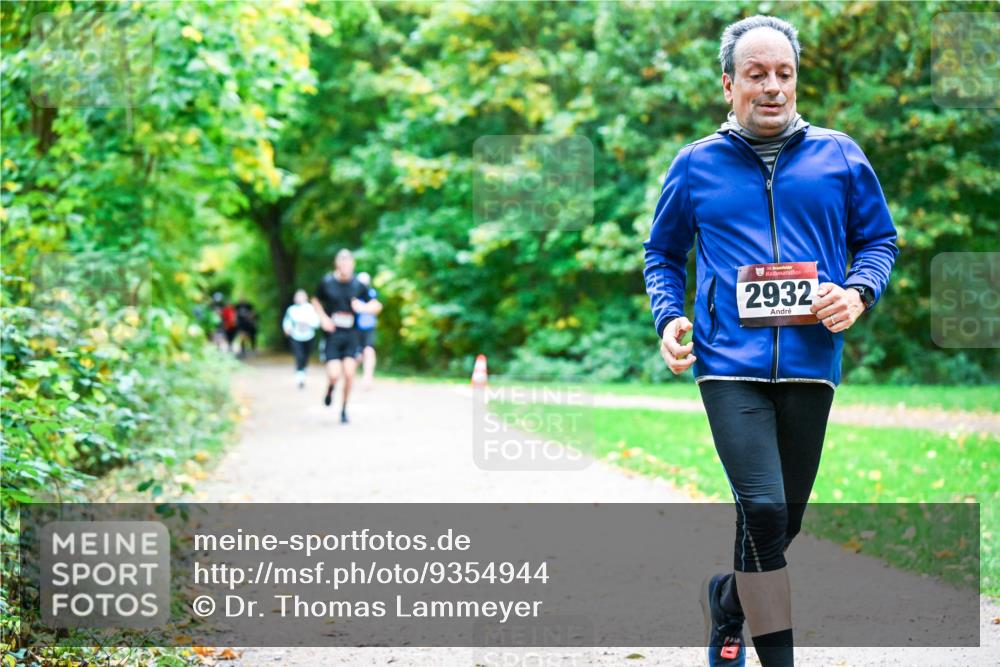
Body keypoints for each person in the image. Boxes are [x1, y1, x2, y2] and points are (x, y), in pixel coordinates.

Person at [642, 15, 897, 667]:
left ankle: (726, 602)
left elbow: (879, 240)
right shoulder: (696, 164)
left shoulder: (839, 155)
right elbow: (663, 253)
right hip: (728, 363)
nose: (773, 87)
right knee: (761, 505)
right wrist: (669, 315)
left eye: (784, 73)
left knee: (781, 520)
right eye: (757, 75)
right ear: (728, 84)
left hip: (812, 362)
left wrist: (859, 292)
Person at [311, 249, 382, 423]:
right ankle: (330, 388)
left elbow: (376, 305)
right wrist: (323, 318)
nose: (346, 267)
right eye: (342, 263)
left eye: (349, 263)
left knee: (349, 374)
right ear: (337, 264)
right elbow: (315, 300)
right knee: (334, 374)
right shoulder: (327, 282)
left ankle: (343, 409)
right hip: (333, 335)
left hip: (352, 335)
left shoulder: (358, 284)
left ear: (353, 265)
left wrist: (364, 308)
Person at [283, 289, 320, 388]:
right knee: (299, 356)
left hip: (309, 336)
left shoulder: (311, 308)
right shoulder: (291, 310)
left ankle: (303, 370)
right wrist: (287, 329)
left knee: (306, 356)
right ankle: (300, 376)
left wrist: (308, 323)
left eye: (301, 296)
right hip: (296, 336)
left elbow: (317, 322)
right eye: (297, 296)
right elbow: (287, 322)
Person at [355, 271, 379, 389]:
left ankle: (367, 378)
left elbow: (376, 307)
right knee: (357, 356)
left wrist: (363, 308)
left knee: (369, 351)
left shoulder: (371, 293)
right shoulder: (352, 293)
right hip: (355, 328)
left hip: (369, 327)